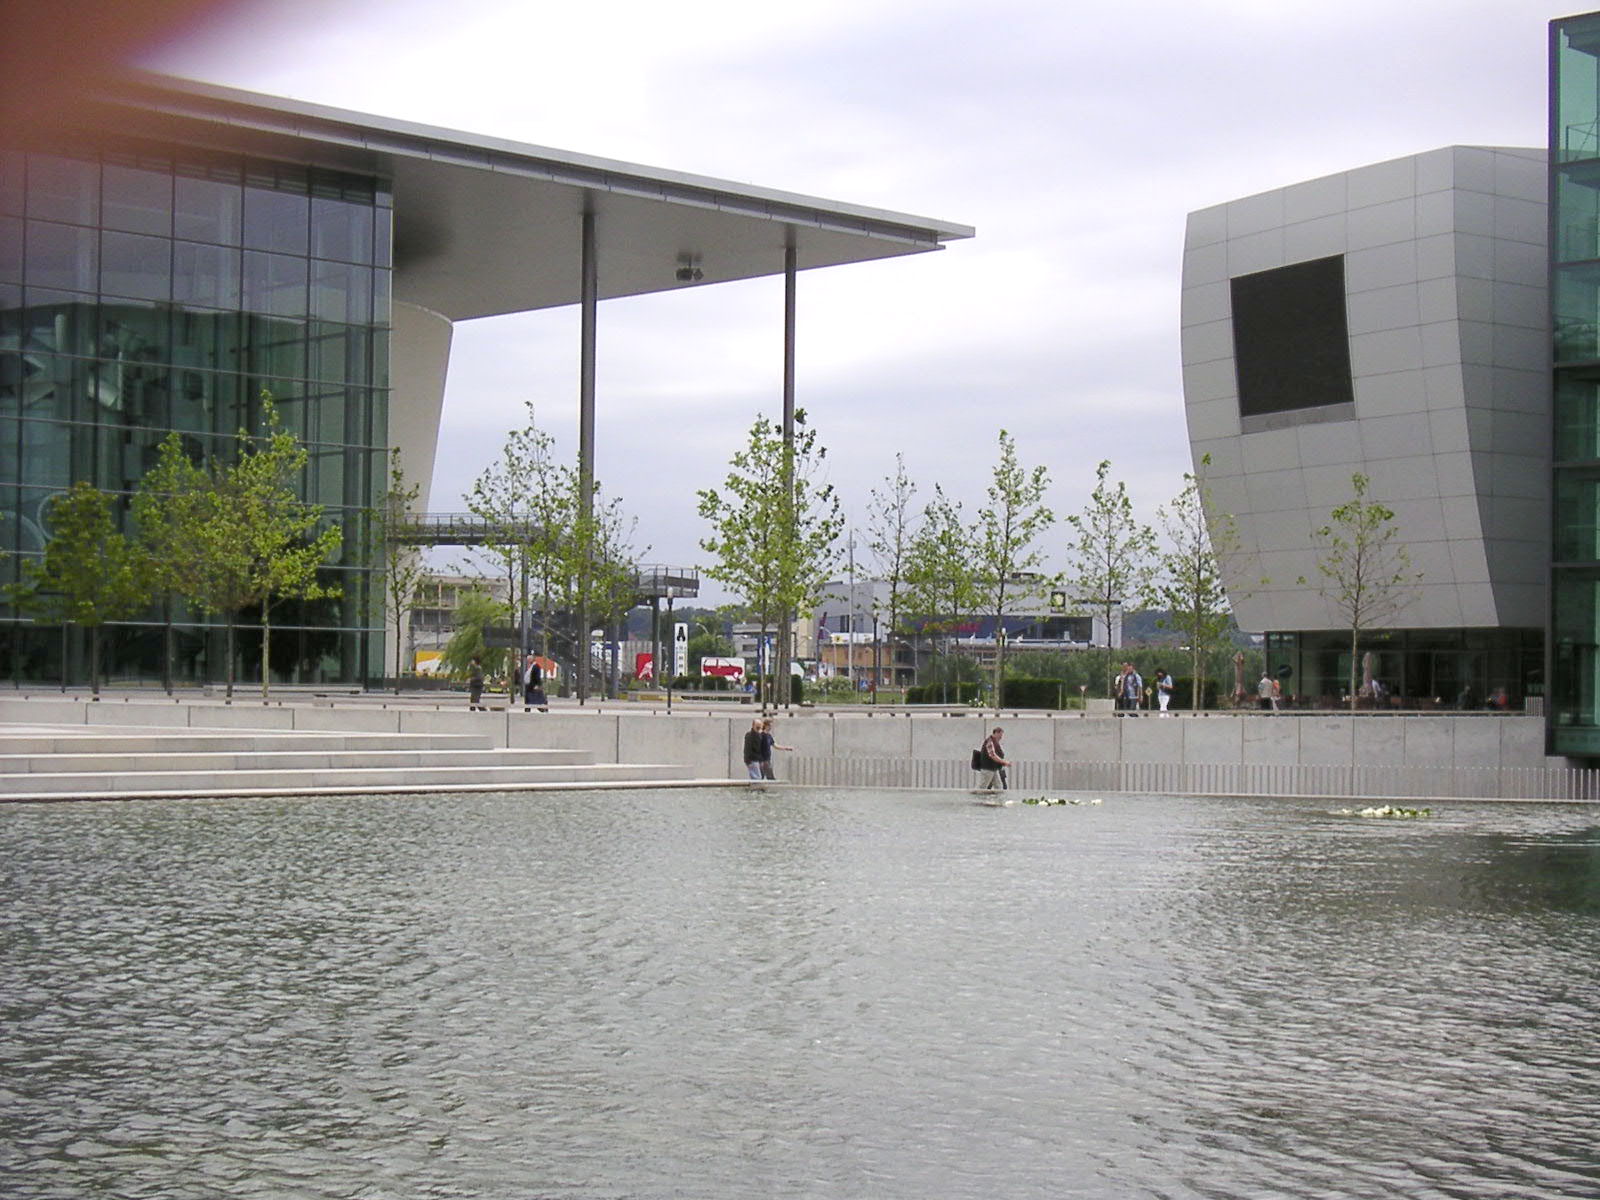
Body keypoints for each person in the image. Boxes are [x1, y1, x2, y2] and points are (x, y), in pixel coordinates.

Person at [978, 726, 1010, 791]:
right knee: (982, 787)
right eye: (1000, 736)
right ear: (996, 733)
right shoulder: (990, 742)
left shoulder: (994, 742)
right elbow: (992, 755)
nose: (1001, 738)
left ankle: (999, 800)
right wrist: (1004, 762)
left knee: (998, 786)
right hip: (988, 769)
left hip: (992, 769)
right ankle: (976, 799)